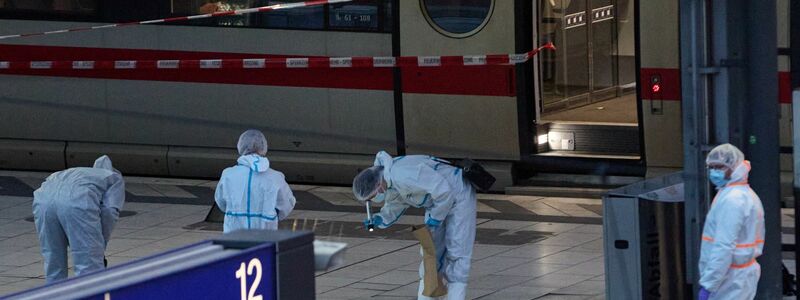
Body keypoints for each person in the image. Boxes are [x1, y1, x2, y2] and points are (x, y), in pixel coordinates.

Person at [352, 151, 476, 300]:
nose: (376, 198)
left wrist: (436, 218)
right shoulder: (390, 181)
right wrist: (381, 218)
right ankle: (428, 295)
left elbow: (443, 191)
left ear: (378, 187)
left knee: (458, 251)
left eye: (372, 197)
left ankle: (455, 296)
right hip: (436, 202)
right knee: (430, 254)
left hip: (458, 194)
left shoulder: (403, 174)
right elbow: (396, 203)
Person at [33, 155, 125, 283]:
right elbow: (110, 211)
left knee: (53, 259)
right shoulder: (114, 178)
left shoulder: (80, 172)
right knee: (88, 265)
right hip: (76, 200)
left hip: (43, 200)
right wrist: (99, 245)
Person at [698, 143, 765, 300]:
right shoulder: (741, 194)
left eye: (720, 167)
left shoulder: (732, 200)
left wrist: (709, 284)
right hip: (736, 277)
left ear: (734, 167)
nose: (714, 172)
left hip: (729, 279)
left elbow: (723, 246)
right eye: (711, 167)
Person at [215, 129, 296, 233]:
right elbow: (287, 204)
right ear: (264, 147)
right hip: (265, 236)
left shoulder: (228, 174)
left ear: (240, 146)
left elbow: (221, 201)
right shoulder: (275, 177)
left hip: (234, 236)